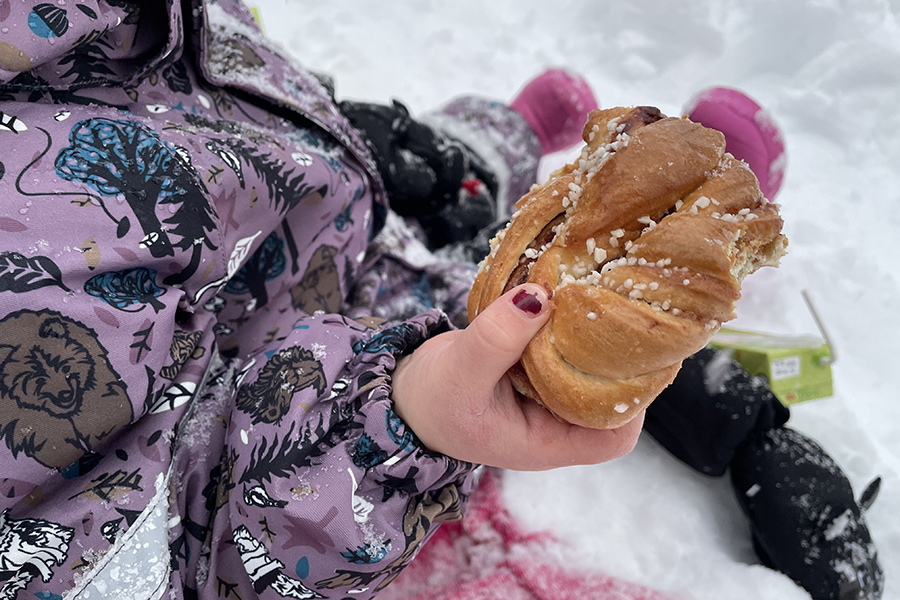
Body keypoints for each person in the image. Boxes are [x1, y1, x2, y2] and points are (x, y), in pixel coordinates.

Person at [0, 1, 637, 598]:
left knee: (445, 168)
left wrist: (303, 117)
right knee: (533, 328)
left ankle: (493, 147)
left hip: (311, 192)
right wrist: (396, 424)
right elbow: (166, 543)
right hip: (306, 386)